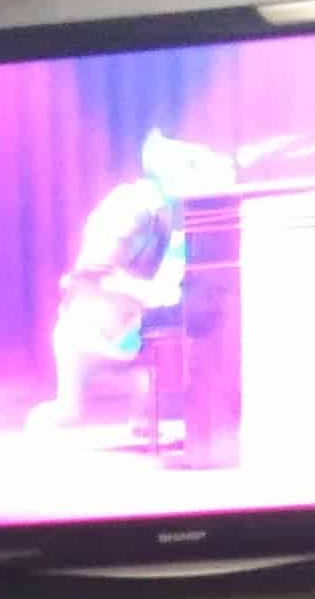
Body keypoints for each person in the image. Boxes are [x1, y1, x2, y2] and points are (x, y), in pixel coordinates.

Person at [30, 125, 234, 432]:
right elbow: (94, 275)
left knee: (150, 411)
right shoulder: (129, 208)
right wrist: (149, 295)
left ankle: (146, 408)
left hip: (134, 338)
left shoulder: (176, 220)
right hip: (92, 333)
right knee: (68, 412)